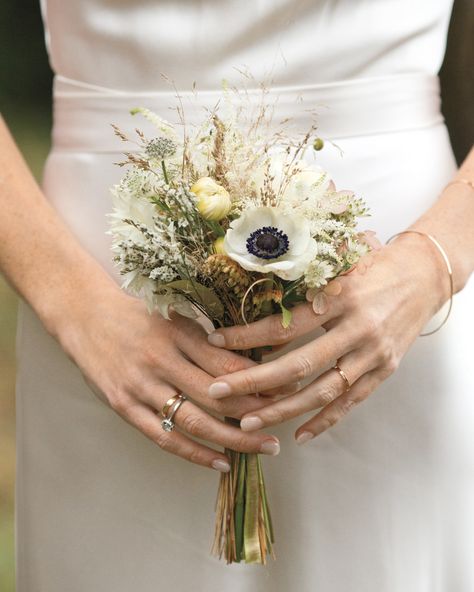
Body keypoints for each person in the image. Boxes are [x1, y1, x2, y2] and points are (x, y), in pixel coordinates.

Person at [2, 0, 473, 590]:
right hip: (106, 298)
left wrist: (435, 259)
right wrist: (73, 303)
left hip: (397, 288)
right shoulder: (85, 308)